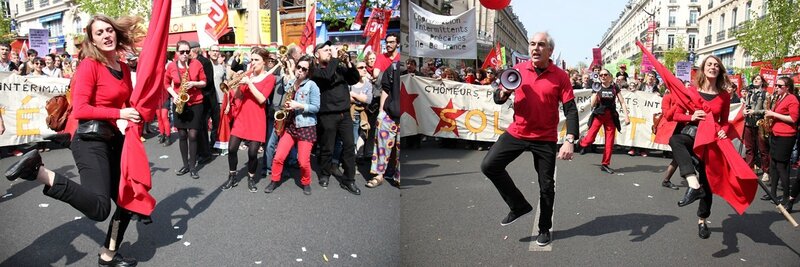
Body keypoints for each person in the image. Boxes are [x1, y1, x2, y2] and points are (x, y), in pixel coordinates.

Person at [3, 14, 145, 266]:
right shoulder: (90, 65)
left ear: (116, 33)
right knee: (100, 209)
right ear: (92, 41)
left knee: (128, 201)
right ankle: (40, 172)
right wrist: (119, 113)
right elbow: (80, 109)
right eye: (99, 33)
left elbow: (130, 103)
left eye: (109, 30)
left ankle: (108, 255)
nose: (106, 35)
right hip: (89, 140)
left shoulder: (123, 68)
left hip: (114, 140)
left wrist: (140, 110)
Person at [480, 32, 579, 246]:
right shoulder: (518, 70)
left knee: (546, 186)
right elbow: (497, 98)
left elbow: (571, 109)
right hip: (518, 132)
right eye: (532, 44)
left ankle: (544, 228)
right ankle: (518, 205)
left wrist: (570, 139)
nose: (535, 48)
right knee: (489, 165)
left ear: (550, 50)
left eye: (541, 45)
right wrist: (504, 93)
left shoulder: (560, 76)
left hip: (545, 138)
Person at [667, 55, 731, 239]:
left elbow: (725, 122)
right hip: (692, 135)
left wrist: (723, 131)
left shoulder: (724, 95)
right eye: (709, 64)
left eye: (716, 65)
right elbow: (675, 115)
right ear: (703, 68)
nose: (713, 67)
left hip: (711, 141)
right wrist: (691, 117)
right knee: (676, 140)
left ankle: (702, 220)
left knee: (708, 183)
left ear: (720, 70)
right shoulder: (691, 91)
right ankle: (692, 183)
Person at [310, 41, 362, 195]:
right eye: (325, 50)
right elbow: (326, 77)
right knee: (327, 147)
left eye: (329, 50)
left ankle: (349, 179)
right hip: (328, 114)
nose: (329, 52)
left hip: (344, 113)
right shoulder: (315, 70)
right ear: (317, 54)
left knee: (348, 147)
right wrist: (334, 58)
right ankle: (325, 173)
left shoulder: (338, 66)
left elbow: (354, 79)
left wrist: (348, 63)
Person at [221, 47, 276, 192]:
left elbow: (262, 99)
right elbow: (239, 96)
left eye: (256, 60)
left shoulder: (270, 78)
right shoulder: (248, 75)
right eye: (252, 59)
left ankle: (251, 178)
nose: (253, 63)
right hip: (242, 117)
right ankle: (232, 176)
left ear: (264, 62)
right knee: (232, 148)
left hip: (257, 119)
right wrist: (239, 84)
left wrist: (250, 83)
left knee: (252, 153)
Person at [264, 55, 320, 195]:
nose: (300, 70)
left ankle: (306, 182)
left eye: (304, 69)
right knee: (279, 156)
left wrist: (299, 105)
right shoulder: (291, 83)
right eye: (298, 67)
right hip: (289, 125)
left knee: (303, 161)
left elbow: (316, 107)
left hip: (306, 126)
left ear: (309, 71)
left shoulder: (312, 85)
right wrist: (287, 107)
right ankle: (274, 180)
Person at [165, 40, 207, 179]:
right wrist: (174, 96)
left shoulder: (196, 64)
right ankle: (185, 165)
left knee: (193, 135)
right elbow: (165, 83)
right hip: (179, 102)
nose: (184, 54)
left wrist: (193, 83)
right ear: (177, 52)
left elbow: (204, 82)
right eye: (181, 52)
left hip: (196, 103)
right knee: (182, 135)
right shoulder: (171, 66)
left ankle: (193, 166)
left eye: (187, 52)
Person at [576, 68, 630, 174]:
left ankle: (605, 164)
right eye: (601, 75)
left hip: (611, 116)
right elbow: (592, 105)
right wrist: (595, 94)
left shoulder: (615, 88)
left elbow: (622, 102)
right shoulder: (597, 87)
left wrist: (627, 116)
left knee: (609, 142)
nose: (603, 77)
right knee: (590, 138)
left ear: (610, 77)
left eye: (605, 75)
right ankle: (582, 142)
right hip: (599, 115)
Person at [762, 77, 798, 209]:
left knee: (781, 166)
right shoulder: (779, 98)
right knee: (773, 164)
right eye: (776, 85)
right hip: (775, 134)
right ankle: (772, 193)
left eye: (780, 86)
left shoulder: (792, 99)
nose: (776, 87)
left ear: (787, 87)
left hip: (786, 136)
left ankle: (786, 196)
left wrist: (774, 114)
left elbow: (793, 118)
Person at [367, 59, 403, 188]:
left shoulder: (416, 74)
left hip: (406, 117)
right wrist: (381, 111)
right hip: (389, 114)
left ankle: (399, 177)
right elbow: (385, 89)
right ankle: (379, 174)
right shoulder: (393, 67)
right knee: (381, 146)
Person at [189, 42, 217, 164]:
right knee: (199, 126)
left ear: (193, 51)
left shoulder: (203, 61)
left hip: (205, 99)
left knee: (201, 127)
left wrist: (195, 86)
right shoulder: (195, 61)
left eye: (188, 51)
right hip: (201, 98)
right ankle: (201, 151)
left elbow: (208, 81)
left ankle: (205, 153)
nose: (186, 54)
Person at [743, 75, 771, 182]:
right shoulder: (749, 93)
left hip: (760, 124)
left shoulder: (766, 94)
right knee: (749, 149)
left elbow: (766, 110)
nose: (756, 80)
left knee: (763, 149)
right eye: (755, 78)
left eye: (758, 79)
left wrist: (754, 112)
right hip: (748, 124)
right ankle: (749, 169)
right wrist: (744, 111)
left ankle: (766, 171)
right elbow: (746, 106)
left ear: (762, 82)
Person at [654, 89, 680, 190]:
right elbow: (668, 115)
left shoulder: (684, 98)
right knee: (680, 155)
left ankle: (667, 180)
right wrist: (677, 103)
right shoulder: (667, 97)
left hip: (680, 129)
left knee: (680, 156)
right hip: (670, 129)